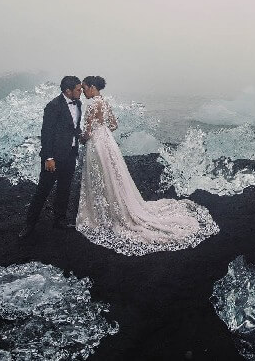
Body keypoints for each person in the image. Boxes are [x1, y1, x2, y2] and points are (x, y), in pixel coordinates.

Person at [75, 75, 218, 255]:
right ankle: (117, 203)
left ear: (92, 87)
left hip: (97, 144)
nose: (84, 93)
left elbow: (87, 133)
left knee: (101, 175)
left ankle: (104, 209)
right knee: (113, 174)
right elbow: (113, 125)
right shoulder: (103, 101)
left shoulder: (91, 105)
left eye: (85, 88)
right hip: (107, 142)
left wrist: (82, 138)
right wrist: (102, 131)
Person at [19, 76, 83, 238]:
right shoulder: (53, 106)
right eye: (78, 89)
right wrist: (48, 157)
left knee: (64, 189)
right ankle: (29, 224)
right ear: (67, 91)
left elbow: (73, 128)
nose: (80, 91)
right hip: (53, 158)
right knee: (43, 191)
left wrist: (80, 137)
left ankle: (59, 220)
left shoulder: (79, 104)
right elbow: (46, 134)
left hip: (70, 155)